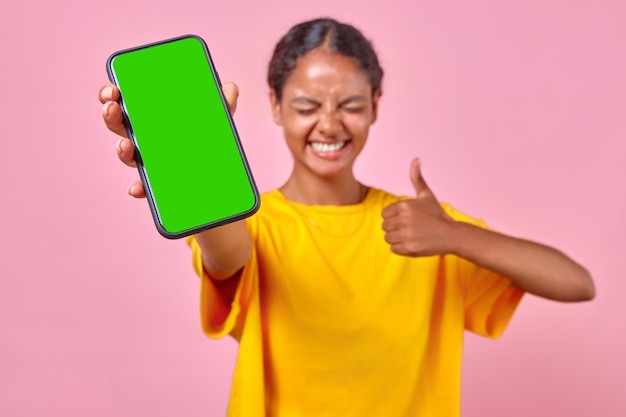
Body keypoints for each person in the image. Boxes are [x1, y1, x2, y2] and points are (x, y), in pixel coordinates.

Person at [99, 18, 595, 417]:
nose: (330, 124)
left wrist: (457, 235)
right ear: (274, 105)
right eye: (307, 106)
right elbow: (225, 252)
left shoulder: (423, 230)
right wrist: (196, 159)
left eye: (351, 105)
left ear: (376, 106)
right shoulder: (256, 224)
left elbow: (577, 283)